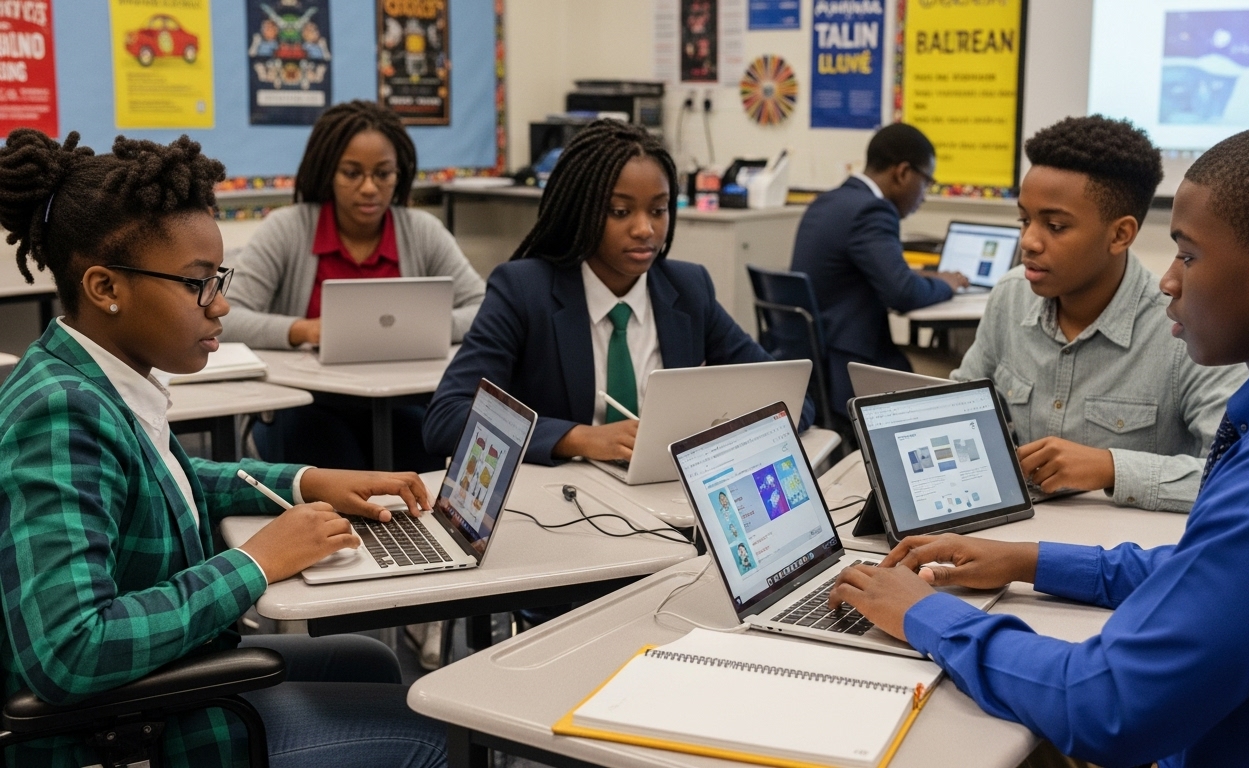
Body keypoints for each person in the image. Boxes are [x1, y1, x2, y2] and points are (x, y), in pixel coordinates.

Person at [829, 120, 1249, 766]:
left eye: (1187, 254)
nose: (1168, 281)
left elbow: (1104, 706)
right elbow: (1216, 574)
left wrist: (924, 615)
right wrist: (1026, 560)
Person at [0, 129, 446, 767]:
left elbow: (167, 480)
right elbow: (70, 652)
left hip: (150, 690)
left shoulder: (100, 376)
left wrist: (307, 481)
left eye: (219, 278)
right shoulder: (61, 411)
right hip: (119, 732)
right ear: (106, 289)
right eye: (197, 283)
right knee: (435, 739)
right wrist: (258, 562)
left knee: (370, 659)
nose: (223, 304)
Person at [424, 119, 813, 465]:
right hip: (561, 505)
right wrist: (576, 438)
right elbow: (447, 417)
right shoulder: (525, 291)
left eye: (658, 210)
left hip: (667, 503)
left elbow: (794, 401)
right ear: (583, 211)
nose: (645, 229)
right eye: (620, 212)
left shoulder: (688, 289)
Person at [951, 116, 1246, 512]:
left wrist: (1111, 468)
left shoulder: (1185, 325)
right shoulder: (1010, 295)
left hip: (1124, 556)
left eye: (1054, 226)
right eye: (1024, 220)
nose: (1029, 241)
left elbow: (1235, 475)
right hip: (1015, 537)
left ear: (1120, 235)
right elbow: (959, 408)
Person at [224, 100, 486, 471]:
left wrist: (427, 327)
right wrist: (304, 330)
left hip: (403, 403)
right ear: (328, 170)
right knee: (341, 476)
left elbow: (484, 309)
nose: (369, 188)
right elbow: (227, 316)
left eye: (383, 174)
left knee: (428, 474)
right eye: (352, 173)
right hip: (304, 404)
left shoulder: (422, 231)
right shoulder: (287, 228)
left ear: (400, 174)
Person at [790, 122, 969, 422]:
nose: (924, 195)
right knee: (961, 370)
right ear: (902, 173)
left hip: (816, 358)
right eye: (926, 182)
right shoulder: (872, 210)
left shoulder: (828, 201)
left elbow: (869, 275)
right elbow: (903, 293)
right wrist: (948, 284)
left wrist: (926, 277)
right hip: (852, 365)